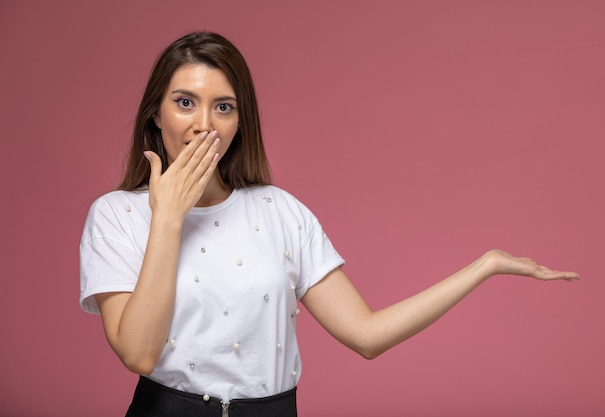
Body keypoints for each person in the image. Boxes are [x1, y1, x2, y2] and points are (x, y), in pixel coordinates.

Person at [79, 31, 579, 417]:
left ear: (240, 122)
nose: (204, 124)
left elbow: (366, 335)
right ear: (156, 114)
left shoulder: (279, 211)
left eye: (224, 107)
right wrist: (167, 217)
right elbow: (139, 355)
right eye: (185, 101)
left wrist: (485, 266)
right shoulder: (116, 215)